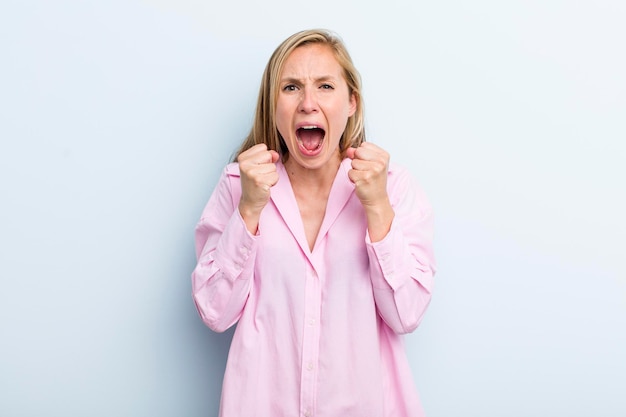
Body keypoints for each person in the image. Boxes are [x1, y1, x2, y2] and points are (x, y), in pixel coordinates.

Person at [192, 28, 436, 417]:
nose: (308, 103)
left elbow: (407, 314)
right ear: (273, 106)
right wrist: (250, 210)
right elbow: (214, 312)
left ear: (351, 102)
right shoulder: (238, 186)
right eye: (290, 88)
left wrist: (376, 207)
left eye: (324, 86)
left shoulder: (394, 188)